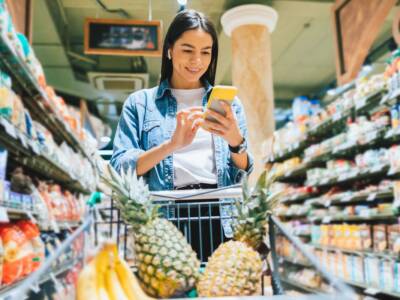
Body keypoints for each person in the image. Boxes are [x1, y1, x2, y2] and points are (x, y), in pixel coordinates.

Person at [110, 9, 254, 261]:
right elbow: (120, 166)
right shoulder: (141, 103)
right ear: (169, 49)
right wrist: (171, 145)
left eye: (205, 52)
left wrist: (235, 141)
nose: (196, 60)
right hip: (163, 217)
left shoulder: (230, 105)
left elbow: (243, 169)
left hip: (218, 215)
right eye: (187, 49)